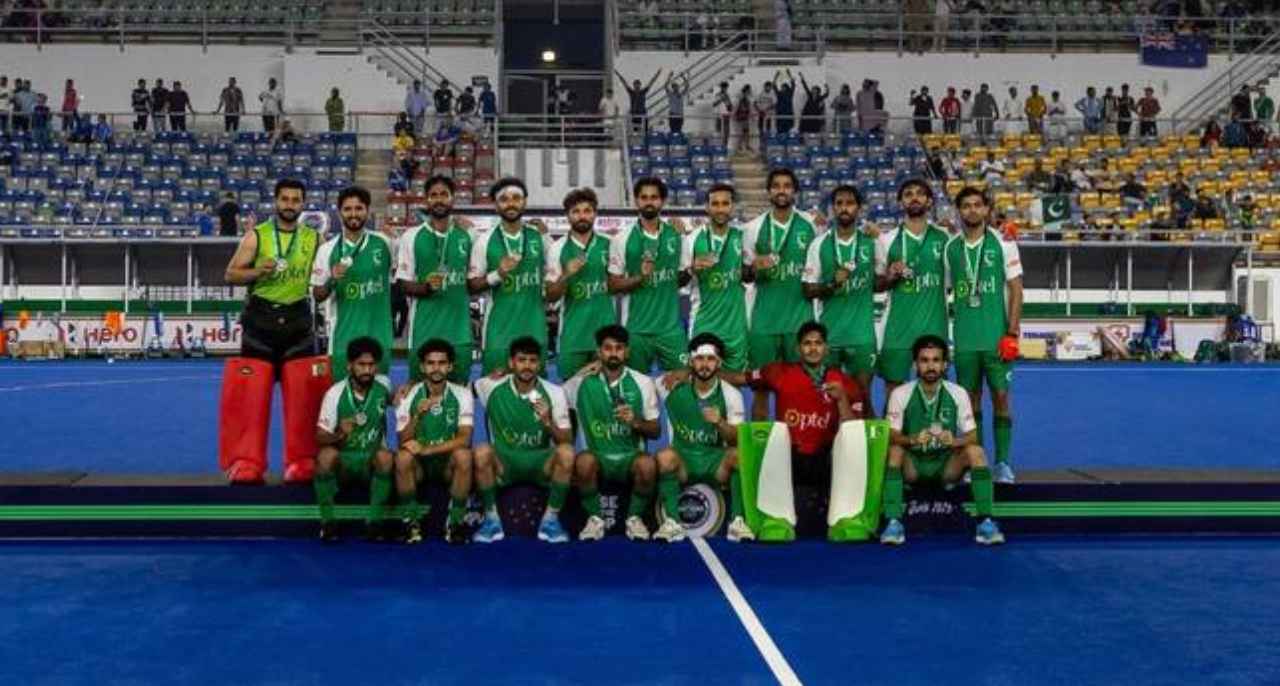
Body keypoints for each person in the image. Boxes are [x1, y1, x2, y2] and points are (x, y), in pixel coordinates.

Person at [740, 322, 870, 537]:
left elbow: (853, 432)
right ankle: (776, 521)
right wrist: (693, 373)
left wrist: (842, 400)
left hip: (825, 457)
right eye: (807, 343)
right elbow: (741, 378)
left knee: (850, 453)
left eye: (818, 343)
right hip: (790, 457)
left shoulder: (845, 383)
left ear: (826, 348)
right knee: (774, 445)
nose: (813, 348)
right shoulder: (778, 372)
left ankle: (844, 520)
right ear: (798, 349)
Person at [879, 334, 1004, 545]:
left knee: (976, 452)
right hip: (914, 466)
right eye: (924, 360)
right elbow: (891, 435)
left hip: (947, 466)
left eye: (936, 360)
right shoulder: (901, 393)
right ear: (915, 364)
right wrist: (911, 439)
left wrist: (954, 441)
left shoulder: (958, 393)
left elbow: (973, 435)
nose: (930, 366)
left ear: (945, 365)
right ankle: (893, 523)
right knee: (894, 451)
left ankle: (986, 522)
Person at [944, 187, 1023, 484]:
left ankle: (1002, 464)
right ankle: (974, 462)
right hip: (965, 341)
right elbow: (946, 290)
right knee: (970, 404)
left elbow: (1016, 288)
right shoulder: (951, 248)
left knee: (1001, 398)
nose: (972, 210)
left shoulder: (1004, 243)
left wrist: (1012, 332)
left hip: (996, 338)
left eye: (977, 205)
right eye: (966, 206)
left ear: (987, 209)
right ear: (959, 211)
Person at [471, 336, 576, 544]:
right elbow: (458, 391)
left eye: (532, 360)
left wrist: (548, 422)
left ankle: (551, 520)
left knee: (566, 454)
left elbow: (566, 440)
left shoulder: (554, 393)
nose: (527, 366)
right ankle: (492, 520)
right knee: (482, 451)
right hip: (504, 464)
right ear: (511, 363)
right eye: (521, 360)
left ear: (540, 364)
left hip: (540, 464)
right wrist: (410, 386)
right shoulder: (490, 386)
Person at [563, 325, 663, 541]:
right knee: (582, 462)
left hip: (630, 457)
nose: (613, 353)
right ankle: (595, 520)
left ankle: (634, 519)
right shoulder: (581, 383)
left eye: (619, 348)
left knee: (647, 465)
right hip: (597, 456)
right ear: (599, 352)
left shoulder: (643, 383)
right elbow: (553, 396)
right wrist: (579, 373)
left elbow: (656, 430)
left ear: (627, 352)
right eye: (607, 348)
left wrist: (635, 422)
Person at [653, 333, 753, 543]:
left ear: (719, 363)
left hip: (714, 462)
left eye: (710, 359)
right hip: (684, 461)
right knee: (664, 457)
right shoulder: (670, 386)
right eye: (699, 359)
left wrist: (720, 423)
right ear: (691, 362)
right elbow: (639, 382)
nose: (704, 365)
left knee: (739, 455)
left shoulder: (731, 395)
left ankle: (737, 522)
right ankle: (672, 523)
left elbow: (736, 438)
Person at [223, 178, 320, 371]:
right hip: (261, 324)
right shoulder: (256, 235)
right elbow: (230, 275)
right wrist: (258, 271)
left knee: (300, 397)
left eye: (295, 200)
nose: (289, 205)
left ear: (303, 204)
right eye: (284, 199)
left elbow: (322, 276)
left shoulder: (315, 238)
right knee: (254, 396)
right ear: (276, 201)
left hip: (298, 322)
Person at [875, 178, 949, 411]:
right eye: (908, 194)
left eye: (920, 193)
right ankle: (891, 444)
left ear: (929, 201)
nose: (914, 197)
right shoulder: (886, 241)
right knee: (893, 391)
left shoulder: (945, 239)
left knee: (936, 390)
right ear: (900, 201)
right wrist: (890, 276)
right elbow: (876, 285)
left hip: (934, 326)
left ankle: (934, 442)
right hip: (897, 328)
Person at [468, 177, 554, 375]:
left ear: (525, 201)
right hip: (499, 334)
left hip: (535, 331)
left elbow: (556, 274)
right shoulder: (484, 241)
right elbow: (472, 286)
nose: (511, 203)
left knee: (535, 396)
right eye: (504, 199)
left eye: (517, 198)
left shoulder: (540, 237)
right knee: (495, 394)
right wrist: (498, 274)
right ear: (496, 205)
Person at [313, 336, 396, 542]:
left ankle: (374, 523)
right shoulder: (335, 393)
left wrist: (407, 390)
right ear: (350, 366)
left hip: (371, 461)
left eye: (371, 365)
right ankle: (328, 523)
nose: (367, 370)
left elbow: (399, 400)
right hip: (345, 461)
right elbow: (320, 436)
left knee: (386, 457)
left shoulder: (384, 385)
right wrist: (339, 433)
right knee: (325, 457)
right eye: (361, 365)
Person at [394, 339, 476, 545]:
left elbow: (465, 439)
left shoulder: (463, 394)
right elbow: (403, 440)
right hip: (420, 467)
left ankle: (455, 522)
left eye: (441, 363)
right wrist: (417, 415)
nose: (436, 368)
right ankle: (410, 521)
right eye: (431, 363)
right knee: (402, 458)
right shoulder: (408, 395)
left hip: (446, 464)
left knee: (464, 456)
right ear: (422, 367)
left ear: (450, 366)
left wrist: (428, 450)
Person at [606, 177, 688, 373]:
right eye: (644, 197)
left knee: (683, 386)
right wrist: (640, 277)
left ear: (663, 201)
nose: (649, 202)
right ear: (636, 201)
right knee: (635, 391)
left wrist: (692, 271)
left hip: (670, 329)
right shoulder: (622, 239)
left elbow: (681, 278)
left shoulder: (677, 235)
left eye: (654, 197)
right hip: (636, 330)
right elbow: (612, 285)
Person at [743, 168, 818, 381]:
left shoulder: (812, 225)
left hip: (800, 322)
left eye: (787, 186)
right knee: (761, 388)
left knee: (801, 385)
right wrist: (754, 268)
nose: (781, 191)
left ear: (794, 191)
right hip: (763, 322)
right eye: (776, 186)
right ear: (768, 192)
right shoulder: (752, 229)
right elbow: (745, 274)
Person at [312, 184, 395, 376]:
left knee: (377, 400)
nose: (353, 214)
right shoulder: (327, 250)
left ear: (367, 211)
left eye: (359, 208)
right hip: (343, 340)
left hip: (379, 338)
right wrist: (332, 279)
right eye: (348, 209)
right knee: (343, 400)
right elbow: (317, 295)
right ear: (340, 212)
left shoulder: (385, 243)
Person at [803, 185, 879, 394]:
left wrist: (894, 272)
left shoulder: (872, 243)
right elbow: (807, 290)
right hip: (830, 335)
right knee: (827, 398)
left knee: (863, 397)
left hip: (862, 336)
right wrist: (832, 284)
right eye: (839, 203)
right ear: (832, 209)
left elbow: (881, 282)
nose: (844, 208)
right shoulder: (819, 244)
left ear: (859, 209)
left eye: (850, 203)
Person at [686, 183, 749, 375]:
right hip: (705, 324)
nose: (720, 209)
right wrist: (691, 269)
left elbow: (750, 276)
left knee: (734, 386)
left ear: (732, 207)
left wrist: (755, 267)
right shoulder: (693, 239)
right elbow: (677, 279)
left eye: (725, 204)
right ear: (707, 207)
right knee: (702, 381)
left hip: (736, 327)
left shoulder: (743, 237)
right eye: (715, 204)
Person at [615, 68, 662, 138]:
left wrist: (657, 74)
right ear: (634, 85)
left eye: (638, 85)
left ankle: (645, 141)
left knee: (645, 130)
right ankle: (636, 143)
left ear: (640, 85)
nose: (637, 86)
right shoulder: (631, 92)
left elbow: (651, 82)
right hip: (634, 114)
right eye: (635, 85)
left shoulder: (643, 92)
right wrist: (618, 74)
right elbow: (624, 82)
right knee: (636, 131)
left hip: (642, 113)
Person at [774, 69, 796, 134]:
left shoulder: (790, 93)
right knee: (780, 130)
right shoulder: (779, 94)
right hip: (780, 114)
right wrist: (776, 76)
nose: (782, 88)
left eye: (783, 87)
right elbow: (774, 86)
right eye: (781, 87)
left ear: (787, 88)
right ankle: (780, 142)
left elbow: (793, 84)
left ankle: (786, 143)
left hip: (788, 113)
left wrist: (789, 74)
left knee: (787, 130)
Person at [734, 85, 754, 151]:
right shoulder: (741, 98)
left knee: (746, 132)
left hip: (745, 117)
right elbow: (737, 107)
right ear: (746, 90)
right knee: (741, 133)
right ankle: (739, 146)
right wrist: (734, 115)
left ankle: (747, 145)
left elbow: (748, 108)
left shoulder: (746, 98)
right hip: (741, 118)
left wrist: (751, 115)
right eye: (749, 90)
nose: (750, 92)